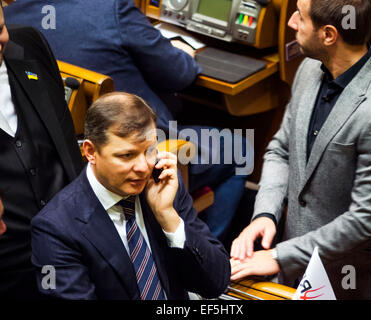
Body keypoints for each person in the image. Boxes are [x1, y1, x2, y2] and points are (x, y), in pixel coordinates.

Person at [4, 0, 249, 243]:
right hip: (144, 153)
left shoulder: (13, 19)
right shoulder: (111, 9)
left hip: (84, 158)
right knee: (240, 150)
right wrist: (182, 52)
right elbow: (179, 74)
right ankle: (212, 256)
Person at [230, 0, 371, 300]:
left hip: (353, 277)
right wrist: (265, 214)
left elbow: (366, 220)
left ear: (329, 34)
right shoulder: (308, 68)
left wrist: (278, 256)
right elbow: (281, 149)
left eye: (301, 17)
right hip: (296, 267)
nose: (292, 22)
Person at [30, 92, 230, 300]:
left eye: (150, 150)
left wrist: (168, 217)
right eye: (127, 155)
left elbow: (217, 283)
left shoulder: (162, 185)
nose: (144, 167)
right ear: (90, 151)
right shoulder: (54, 230)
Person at [0, 0, 83, 299]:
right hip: (8, 266)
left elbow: (63, 140)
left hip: (74, 242)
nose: (0, 42)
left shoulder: (29, 44)